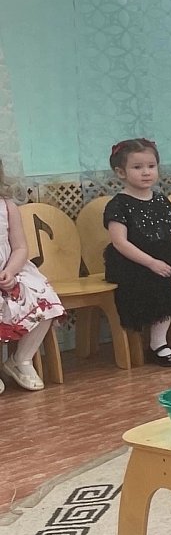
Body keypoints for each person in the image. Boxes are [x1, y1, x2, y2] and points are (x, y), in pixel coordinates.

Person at [102, 138, 171, 366]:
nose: (146, 172)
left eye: (151, 166)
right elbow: (120, 243)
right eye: (137, 167)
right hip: (134, 263)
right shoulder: (118, 205)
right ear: (121, 172)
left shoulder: (161, 200)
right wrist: (151, 263)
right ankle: (158, 344)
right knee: (164, 285)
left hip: (167, 256)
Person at [0, 162, 63, 393]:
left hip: (11, 270)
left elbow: (20, 248)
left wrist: (10, 271)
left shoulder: (7, 207)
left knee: (43, 298)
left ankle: (21, 359)